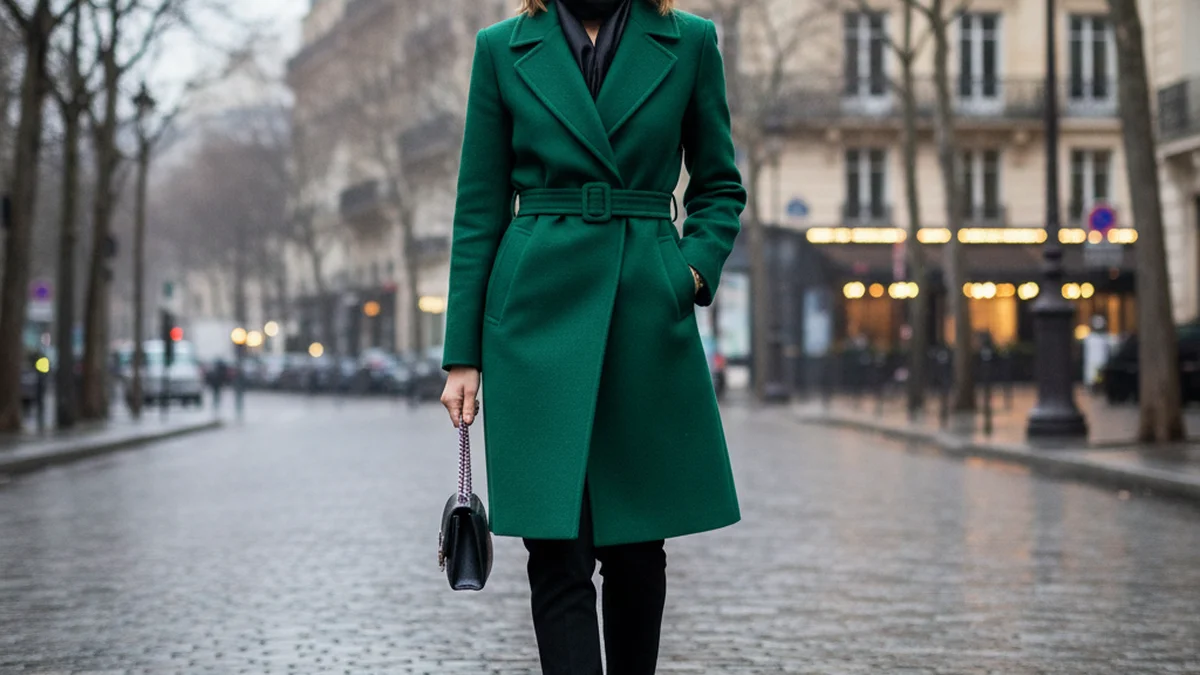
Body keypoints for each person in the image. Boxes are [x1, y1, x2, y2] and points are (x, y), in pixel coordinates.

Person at [439, 0, 745, 673]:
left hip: (644, 307)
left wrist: (687, 272)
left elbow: (719, 185)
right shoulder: (500, 48)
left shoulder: (690, 41)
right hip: (535, 317)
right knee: (556, 548)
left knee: (638, 548)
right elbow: (479, 204)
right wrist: (463, 353)